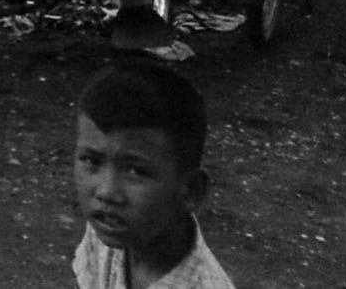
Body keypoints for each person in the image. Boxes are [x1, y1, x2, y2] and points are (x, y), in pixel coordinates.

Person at [72, 61, 236, 289]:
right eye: (92, 161)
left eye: (136, 171)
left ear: (190, 190)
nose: (106, 192)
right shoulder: (110, 225)